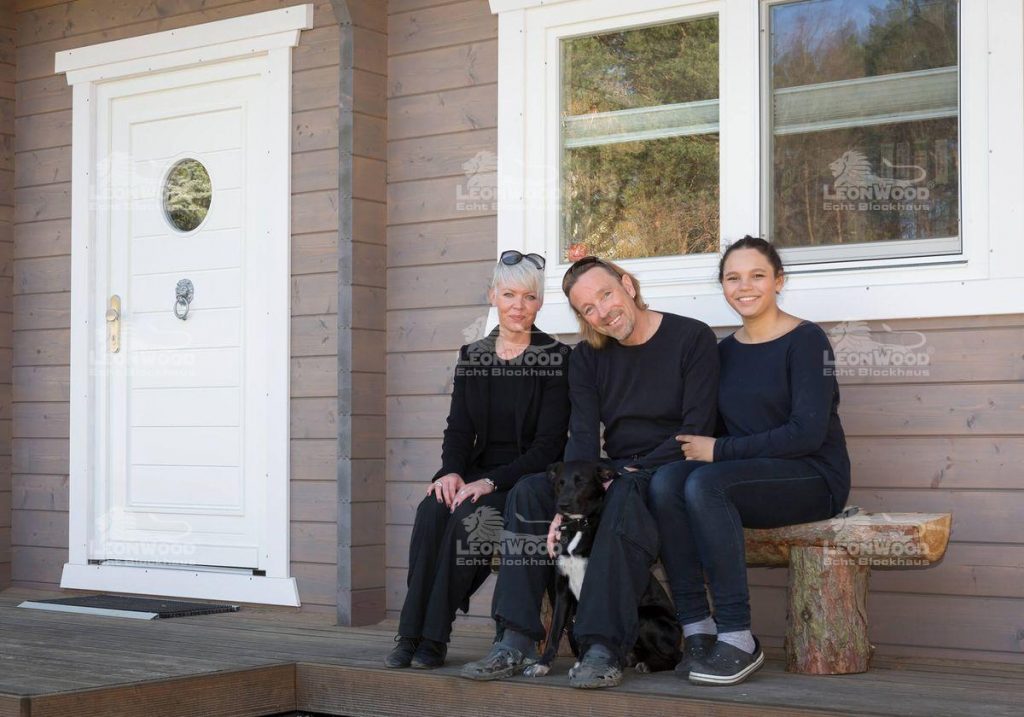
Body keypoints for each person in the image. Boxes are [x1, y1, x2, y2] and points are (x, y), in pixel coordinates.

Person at [461, 255, 719, 688]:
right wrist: (568, 500)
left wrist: (626, 472)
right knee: (528, 492)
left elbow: (696, 431)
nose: (602, 312)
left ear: (627, 286)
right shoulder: (587, 357)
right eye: (588, 309)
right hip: (607, 473)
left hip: (665, 472)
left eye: (606, 295)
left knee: (620, 497)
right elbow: (581, 437)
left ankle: (602, 647)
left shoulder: (691, 337)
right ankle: (516, 637)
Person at [648, 236, 851, 686]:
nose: (745, 286)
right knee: (666, 482)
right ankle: (697, 629)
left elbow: (807, 432)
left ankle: (738, 635)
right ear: (722, 286)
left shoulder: (808, 340)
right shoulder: (722, 353)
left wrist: (719, 452)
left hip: (813, 477)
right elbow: (705, 428)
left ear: (778, 281)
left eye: (757, 275)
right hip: (747, 477)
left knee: (705, 484)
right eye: (732, 277)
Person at [386, 250, 571, 670]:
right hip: (472, 471)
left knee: (468, 517)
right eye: (509, 294)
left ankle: (434, 635)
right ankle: (408, 632)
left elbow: (548, 447)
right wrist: (450, 472)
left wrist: (489, 483)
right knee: (432, 510)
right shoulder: (474, 355)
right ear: (493, 296)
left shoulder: (558, 358)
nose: (518, 306)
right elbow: (458, 429)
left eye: (529, 296)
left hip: (523, 479)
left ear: (540, 303)